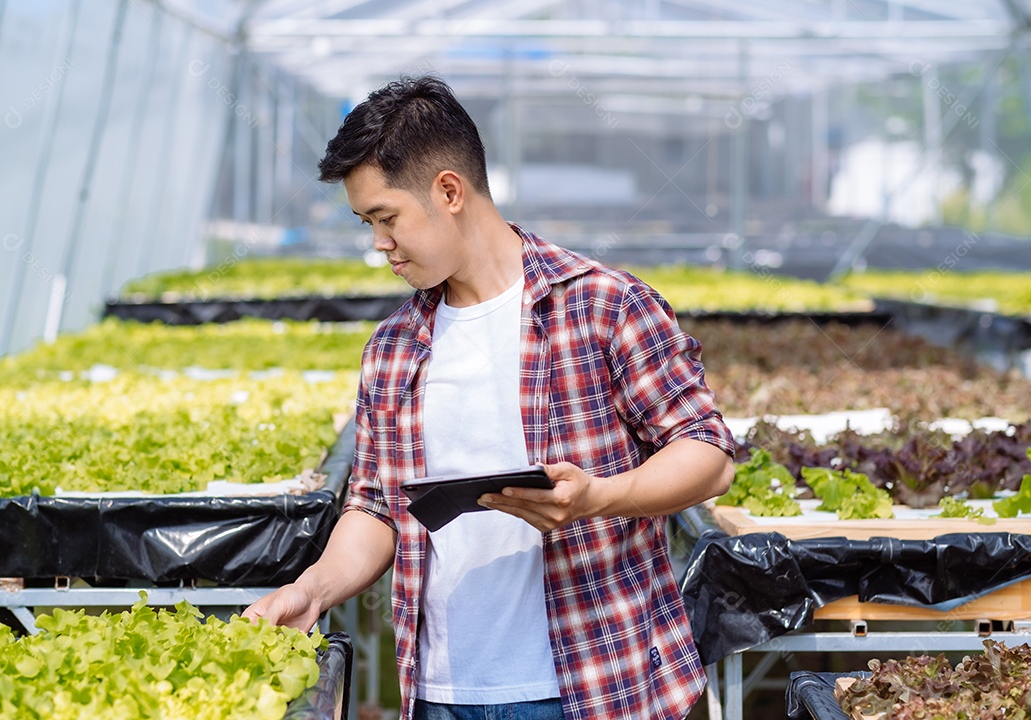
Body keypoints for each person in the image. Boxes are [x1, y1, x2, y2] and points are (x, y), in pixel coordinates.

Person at [243, 75, 735, 720]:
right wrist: (311, 591)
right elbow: (376, 509)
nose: (379, 245)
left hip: (594, 685)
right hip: (441, 692)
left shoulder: (602, 305)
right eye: (368, 224)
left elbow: (707, 452)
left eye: (386, 219)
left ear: (449, 191)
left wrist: (600, 497)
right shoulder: (393, 347)